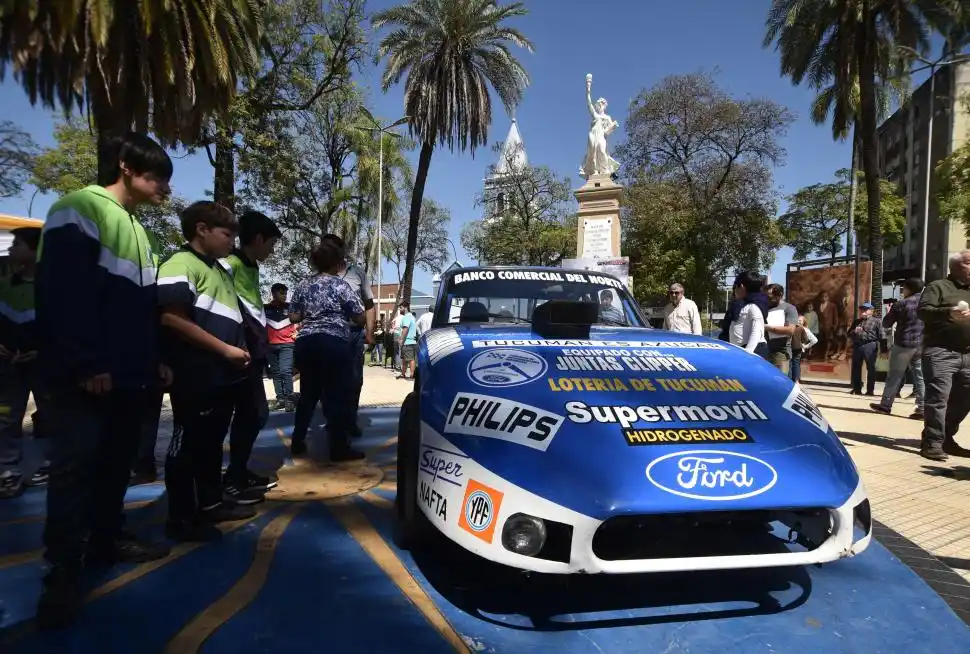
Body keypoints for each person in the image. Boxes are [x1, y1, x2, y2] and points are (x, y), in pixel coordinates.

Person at [34, 132, 174, 628]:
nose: (164, 187)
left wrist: (154, 359)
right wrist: (87, 362)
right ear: (125, 166)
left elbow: (143, 310)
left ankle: (107, 541)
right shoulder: (77, 208)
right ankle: (62, 572)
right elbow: (64, 291)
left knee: (115, 464)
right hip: (86, 376)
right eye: (157, 176)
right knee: (75, 469)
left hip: (129, 378)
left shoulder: (140, 231)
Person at [158, 202, 255, 542]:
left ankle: (212, 503)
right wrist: (225, 349)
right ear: (202, 230)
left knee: (212, 441)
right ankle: (181, 517)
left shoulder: (222, 269)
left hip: (223, 374)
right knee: (186, 446)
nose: (232, 242)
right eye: (227, 234)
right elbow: (171, 318)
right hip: (195, 373)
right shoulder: (179, 264)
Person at [289, 240, 366, 461]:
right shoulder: (340, 286)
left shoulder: (303, 284)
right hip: (334, 342)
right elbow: (359, 315)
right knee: (337, 396)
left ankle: (298, 440)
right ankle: (338, 447)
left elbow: (293, 316)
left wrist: (311, 314)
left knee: (308, 394)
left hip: (307, 342)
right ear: (336, 264)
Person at [224, 211, 281, 502]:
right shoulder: (230, 265)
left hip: (254, 353)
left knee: (255, 414)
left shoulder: (251, 267)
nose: (272, 251)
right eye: (271, 244)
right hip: (236, 353)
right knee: (252, 414)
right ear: (257, 239)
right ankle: (231, 479)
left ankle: (237, 471)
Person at [0, 227, 48, 498]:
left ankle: (51, 466)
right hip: (9, 366)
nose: (10, 249)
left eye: (17, 244)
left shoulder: (52, 287)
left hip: (44, 365)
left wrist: (42, 351)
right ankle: (7, 471)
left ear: (35, 250)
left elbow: (63, 327)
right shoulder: (5, 285)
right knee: (6, 417)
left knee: (51, 416)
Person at [917, 250, 970, 461]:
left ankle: (947, 438)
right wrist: (949, 312)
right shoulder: (937, 287)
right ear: (958, 265)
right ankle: (932, 443)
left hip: (968, 353)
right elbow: (923, 312)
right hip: (940, 352)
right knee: (938, 398)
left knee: (965, 399)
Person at [322, 234, 375, 438]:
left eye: (332, 248)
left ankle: (350, 420)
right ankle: (332, 419)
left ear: (342, 250)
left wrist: (369, 333)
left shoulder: (357, 273)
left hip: (353, 334)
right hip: (329, 335)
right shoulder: (320, 276)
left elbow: (369, 305)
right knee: (328, 381)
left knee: (354, 379)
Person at [871, 277, 925, 419]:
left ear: (909, 288)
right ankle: (923, 408)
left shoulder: (902, 304)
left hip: (903, 344)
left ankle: (885, 405)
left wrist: (890, 311)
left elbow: (887, 323)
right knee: (920, 378)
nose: (903, 291)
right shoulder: (927, 303)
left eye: (904, 288)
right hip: (922, 345)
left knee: (894, 376)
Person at [265, 283, 297, 411]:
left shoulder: (291, 308)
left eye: (285, 293)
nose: (284, 295)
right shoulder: (264, 308)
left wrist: (298, 330)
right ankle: (280, 399)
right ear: (273, 293)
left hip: (287, 344)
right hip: (270, 346)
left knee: (285, 371)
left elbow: (302, 319)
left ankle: (290, 400)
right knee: (276, 373)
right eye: (281, 293)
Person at [728, 271, 769, 356]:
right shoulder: (739, 305)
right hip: (740, 349)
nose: (734, 290)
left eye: (735, 287)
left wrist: (748, 353)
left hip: (753, 350)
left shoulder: (754, 306)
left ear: (741, 287)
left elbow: (757, 330)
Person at [848, 302, 884, 396]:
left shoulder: (877, 321)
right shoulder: (857, 322)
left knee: (871, 368)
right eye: (862, 309)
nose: (863, 311)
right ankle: (857, 389)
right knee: (856, 368)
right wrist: (854, 331)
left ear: (871, 311)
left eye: (865, 309)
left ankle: (870, 390)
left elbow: (882, 335)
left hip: (870, 345)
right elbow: (849, 333)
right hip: (858, 346)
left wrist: (884, 350)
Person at [765, 283, 799, 375]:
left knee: (782, 382)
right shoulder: (765, 308)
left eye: (770, 296)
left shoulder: (789, 308)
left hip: (782, 354)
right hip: (765, 352)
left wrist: (766, 327)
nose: (768, 299)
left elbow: (790, 330)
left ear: (780, 295)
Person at [790, 315, 818, 383]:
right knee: (795, 364)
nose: (798, 321)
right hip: (794, 348)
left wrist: (805, 346)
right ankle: (796, 379)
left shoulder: (805, 329)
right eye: (797, 320)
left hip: (797, 348)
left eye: (800, 320)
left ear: (803, 322)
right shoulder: (795, 327)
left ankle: (796, 380)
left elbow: (814, 340)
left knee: (795, 364)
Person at [397, 302, 417, 380]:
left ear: (405, 308)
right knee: (405, 359)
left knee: (410, 359)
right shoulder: (412, 317)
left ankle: (411, 375)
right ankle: (403, 374)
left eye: (401, 307)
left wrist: (401, 338)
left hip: (407, 341)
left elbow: (405, 328)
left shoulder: (406, 317)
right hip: (411, 341)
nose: (400, 309)